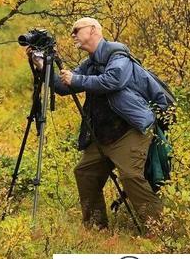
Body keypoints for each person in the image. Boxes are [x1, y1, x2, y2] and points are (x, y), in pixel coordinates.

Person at [27, 17, 166, 231]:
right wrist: (41, 68)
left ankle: (159, 230)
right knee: (85, 173)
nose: (73, 35)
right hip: (102, 132)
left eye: (76, 30)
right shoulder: (91, 62)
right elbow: (65, 88)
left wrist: (76, 80)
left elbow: (114, 80)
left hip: (129, 129)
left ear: (93, 30)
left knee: (131, 176)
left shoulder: (116, 53)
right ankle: (95, 228)